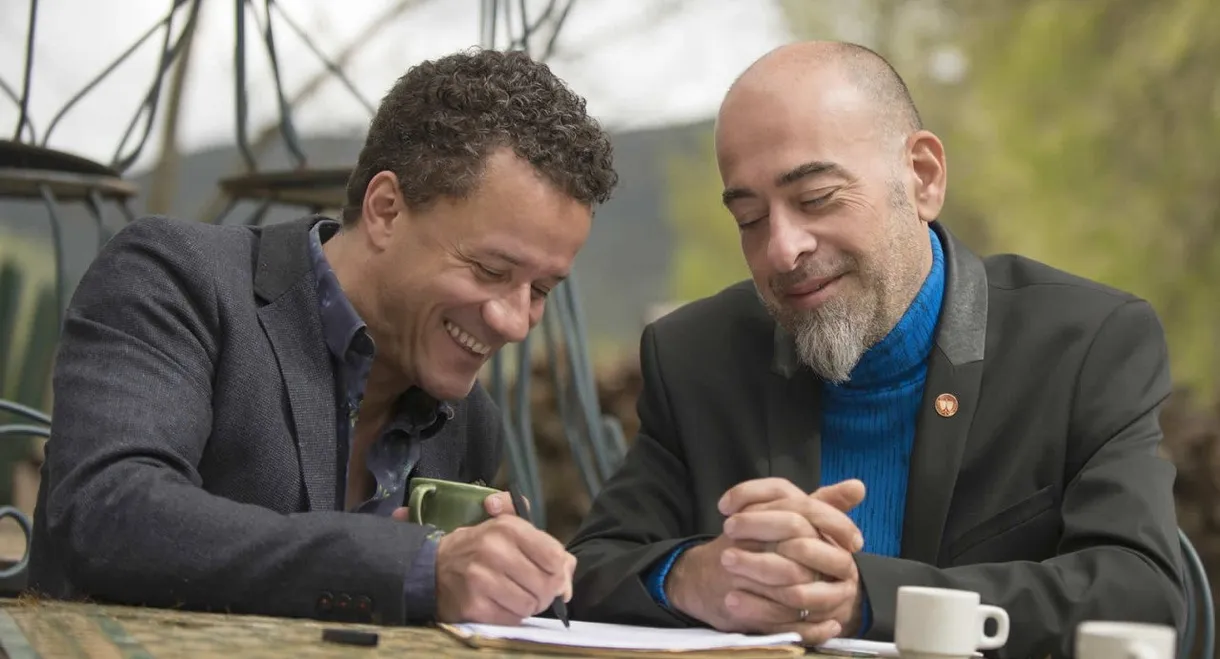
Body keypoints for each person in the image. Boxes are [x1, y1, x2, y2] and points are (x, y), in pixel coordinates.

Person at [566, 41, 1184, 659]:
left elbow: (1140, 592)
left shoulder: (1086, 342)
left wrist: (869, 601)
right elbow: (588, 571)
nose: (782, 249)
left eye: (815, 199)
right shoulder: (695, 357)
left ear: (922, 176)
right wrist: (688, 577)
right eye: (750, 219)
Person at [29, 48, 617, 628]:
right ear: (386, 209)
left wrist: (507, 580)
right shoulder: (175, 278)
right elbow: (110, 514)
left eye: (541, 290)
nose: (515, 323)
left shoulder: (472, 423)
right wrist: (413, 568)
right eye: (490, 271)